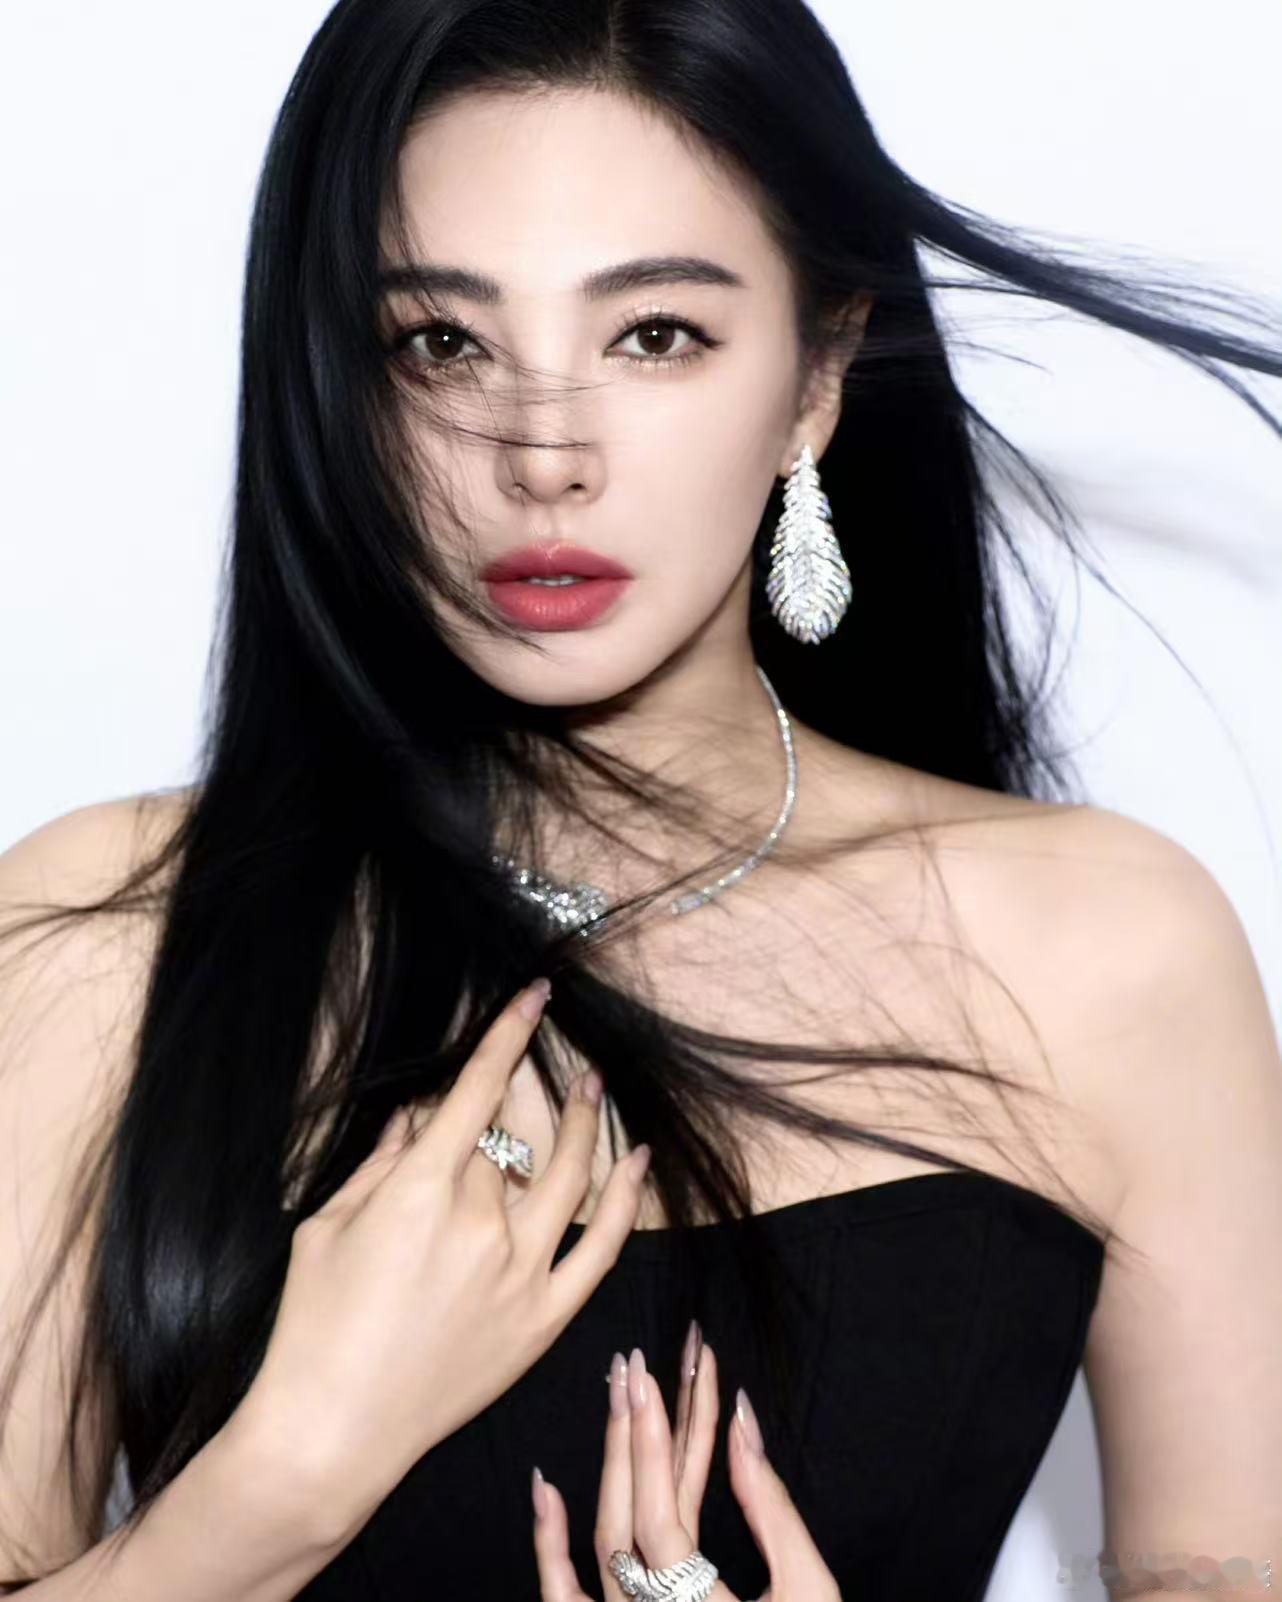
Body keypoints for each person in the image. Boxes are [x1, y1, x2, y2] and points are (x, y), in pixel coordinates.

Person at [1, 1, 1279, 1598]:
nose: (545, 454)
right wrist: (285, 1475)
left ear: (814, 377)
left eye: (654, 334)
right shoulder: (101, 940)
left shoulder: (1104, 947)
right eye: (442, 343)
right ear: (341, 387)